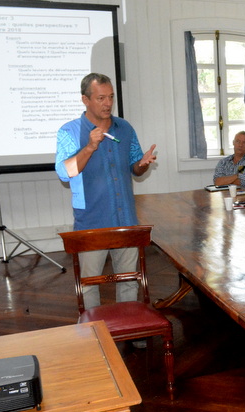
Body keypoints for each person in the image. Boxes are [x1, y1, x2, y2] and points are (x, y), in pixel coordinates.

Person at [55, 73, 156, 310]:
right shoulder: (69, 131)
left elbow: (135, 168)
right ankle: (93, 335)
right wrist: (90, 147)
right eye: (101, 98)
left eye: (110, 97)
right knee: (89, 284)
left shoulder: (125, 128)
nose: (108, 103)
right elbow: (64, 172)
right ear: (85, 100)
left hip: (126, 220)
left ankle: (131, 328)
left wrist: (141, 164)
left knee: (130, 281)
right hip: (91, 222)